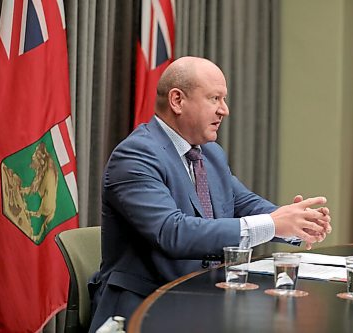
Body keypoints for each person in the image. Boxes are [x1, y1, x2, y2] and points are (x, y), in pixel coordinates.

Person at [88, 56, 332, 331]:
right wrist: (274, 223)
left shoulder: (210, 154)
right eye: (214, 98)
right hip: (146, 305)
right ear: (177, 100)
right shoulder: (136, 155)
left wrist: (296, 222)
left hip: (202, 299)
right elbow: (172, 232)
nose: (224, 110)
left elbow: (243, 203)